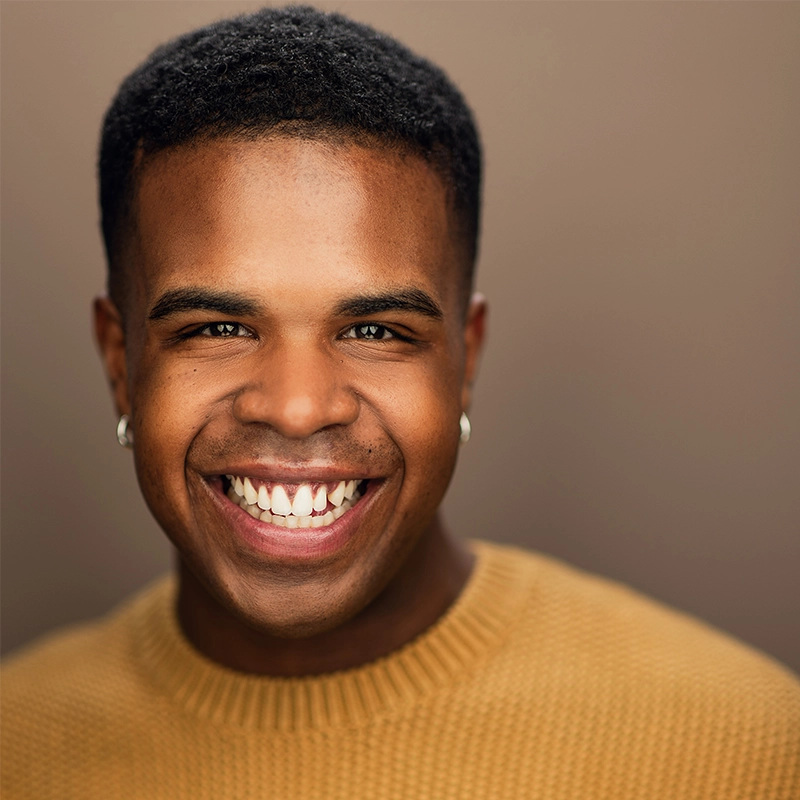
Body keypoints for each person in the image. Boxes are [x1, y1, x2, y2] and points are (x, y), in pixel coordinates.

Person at [2, 6, 798, 798]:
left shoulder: (744, 748)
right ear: (121, 363)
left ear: (466, 358)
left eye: (375, 328)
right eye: (219, 326)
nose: (299, 406)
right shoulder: (18, 745)